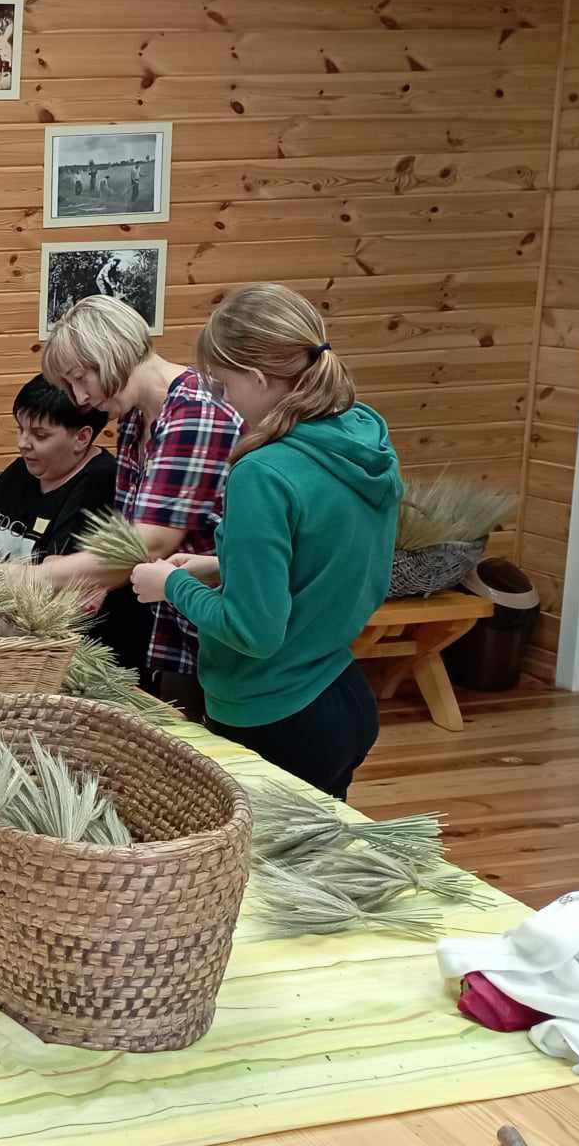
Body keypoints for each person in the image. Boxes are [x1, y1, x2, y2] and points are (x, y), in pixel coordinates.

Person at [130, 285, 400, 799]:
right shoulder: (363, 437)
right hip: (340, 692)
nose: (224, 401)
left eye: (225, 386)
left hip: (276, 715)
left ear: (257, 379)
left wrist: (172, 586)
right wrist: (219, 564)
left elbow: (254, 632)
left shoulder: (263, 473)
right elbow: (324, 559)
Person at [30, 294, 241, 719]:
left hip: (229, 630)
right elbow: (129, 531)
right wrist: (96, 581)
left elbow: (150, 543)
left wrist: (35, 577)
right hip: (180, 626)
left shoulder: (195, 411)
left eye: (79, 379)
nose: (79, 397)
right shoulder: (135, 416)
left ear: (108, 354)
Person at [0, 376, 148, 671]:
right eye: (20, 429)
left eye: (40, 435)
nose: (23, 444)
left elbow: (50, 589)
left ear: (82, 437)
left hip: (67, 660)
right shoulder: (22, 471)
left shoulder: (101, 485)